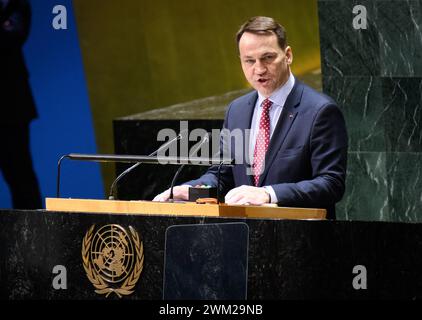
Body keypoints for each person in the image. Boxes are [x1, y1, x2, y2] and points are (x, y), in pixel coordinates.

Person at [153, 16, 348, 219]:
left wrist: (268, 194)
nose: (259, 69)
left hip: (300, 240)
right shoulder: (237, 110)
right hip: (245, 236)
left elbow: (331, 183)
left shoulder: (320, 111)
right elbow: (222, 175)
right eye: (249, 61)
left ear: (288, 55)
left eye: (268, 58)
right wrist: (192, 190)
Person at [0, 0, 42, 209]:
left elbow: (12, 35)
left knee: (20, 175)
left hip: (10, 107)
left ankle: (32, 236)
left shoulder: (14, 3)